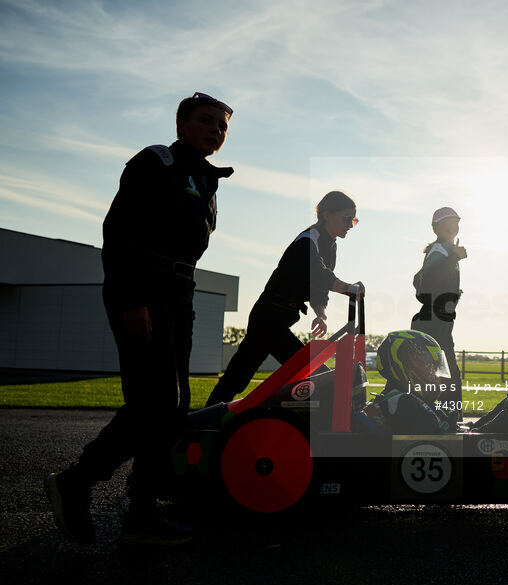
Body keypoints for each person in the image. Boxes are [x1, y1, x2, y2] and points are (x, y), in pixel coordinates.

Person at [44, 92, 234, 546]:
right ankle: (76, 482)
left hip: (179, 293)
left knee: (171, 410)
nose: (216, 131)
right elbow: (119, 229)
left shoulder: (205, 178)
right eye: (206, 121)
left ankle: (141, 516)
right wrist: (132, 300)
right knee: (153, 404)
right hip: (144, 289)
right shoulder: (157, 162)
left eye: (223, 126)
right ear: (182, 124)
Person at [206, 191, 365, 406]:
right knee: (314, 370)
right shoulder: (308, 240)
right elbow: (319, 274)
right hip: (269, 317)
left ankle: (205, 422)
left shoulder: (330, 245)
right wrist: (349, 288)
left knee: (237, 378)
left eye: (353, 220)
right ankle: (204, 425)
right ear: (327, 214)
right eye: (347, 219)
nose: (351, 225)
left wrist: (321, 313)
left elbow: (318, 288)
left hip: (277, 318)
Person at [363, 330, 508, 434]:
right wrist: (500, 423)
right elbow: (452, 442)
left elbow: (456, 428)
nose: (433, 375)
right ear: (405, 364)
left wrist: (502, 408)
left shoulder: (403, 398)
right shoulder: (405, 403)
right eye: (429, 368)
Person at [410, 207, 466, 414]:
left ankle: (444, 418)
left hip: (439, 320)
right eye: (446, 223)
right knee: (444, 375)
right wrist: (454, 258)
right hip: (433, 322)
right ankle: (447, 420)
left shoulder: (445, 251)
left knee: (442, 375)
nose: (453, 227)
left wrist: (451, 294)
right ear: (436, 229)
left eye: (456, 222)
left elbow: (419, 279)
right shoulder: (441, 251)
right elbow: (427, 281)